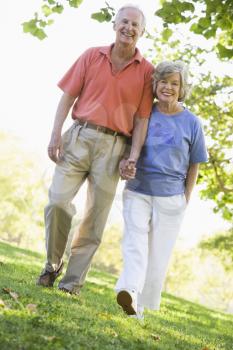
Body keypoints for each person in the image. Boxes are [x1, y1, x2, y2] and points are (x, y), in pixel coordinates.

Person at [36, 4, 154, 294]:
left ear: (142, 32)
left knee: (94, 219)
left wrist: (133, 157)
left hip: (115, 148)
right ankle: (52, 264)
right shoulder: (92, 55)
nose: (129, 28)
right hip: (79, 137)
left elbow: (141, 121)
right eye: (124, 22)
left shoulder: (147, 71)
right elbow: (67, 97)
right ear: (114, 24)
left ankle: (72, 283)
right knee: (57, 203)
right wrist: (55, 134)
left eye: (135, 25)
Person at [115, 60, 208, 319]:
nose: (168, 87)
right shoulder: (143, 113)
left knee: (158, 256)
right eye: (163, 82)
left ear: (182, 88)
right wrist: (125, 164)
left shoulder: (192, 122)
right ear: (155, 84)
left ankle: (140, 306)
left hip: (172, 198)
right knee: (135, 243)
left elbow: (195, 165)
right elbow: (126, 149)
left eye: (174, 83)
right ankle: (129, 292)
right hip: (138, 190)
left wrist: (185, 199)